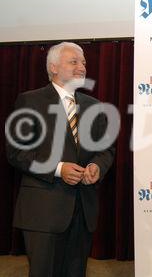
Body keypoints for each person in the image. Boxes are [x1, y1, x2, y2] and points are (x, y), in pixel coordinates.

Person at [5, 42, 115, 277]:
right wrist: (58, 168)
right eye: (74, 62)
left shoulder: (93, 106)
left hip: (83, 211)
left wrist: (97, 166)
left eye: (83, 62)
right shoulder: (30, 101)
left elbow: (106, 150)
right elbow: (17, 152)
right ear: (53, 67)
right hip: (43, 213)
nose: (82, 67)